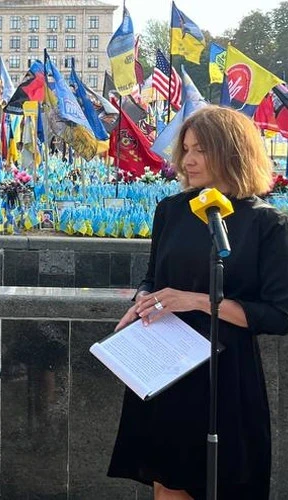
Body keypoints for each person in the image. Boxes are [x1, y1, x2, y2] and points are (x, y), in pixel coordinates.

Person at [108, 106, 288, 499]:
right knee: (167, 482)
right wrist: (143, 299)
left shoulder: (267, 224)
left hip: (226, 377)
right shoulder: (171, 211)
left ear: (233, 152)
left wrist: (194, 300)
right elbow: (153, 277)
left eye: (201, 150)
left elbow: (278, 314)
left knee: (224, 484)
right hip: (166, 368)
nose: (187, 160)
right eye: (186, 149)